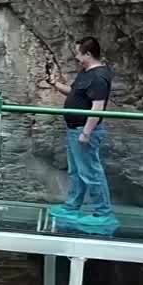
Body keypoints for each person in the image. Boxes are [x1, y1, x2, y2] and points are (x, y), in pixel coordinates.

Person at [48, 36, 113, 221]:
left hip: (84, 131)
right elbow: (73, 92)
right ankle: (72, 206)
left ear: (88, 54)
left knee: (91, 172)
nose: (76, 57)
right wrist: (55, 84)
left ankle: (103, 212)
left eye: (78, 53)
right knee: (76, 171)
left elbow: (97, 107)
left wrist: (87, 132)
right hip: (73, 129)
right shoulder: (85, 72)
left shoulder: (99, 77)